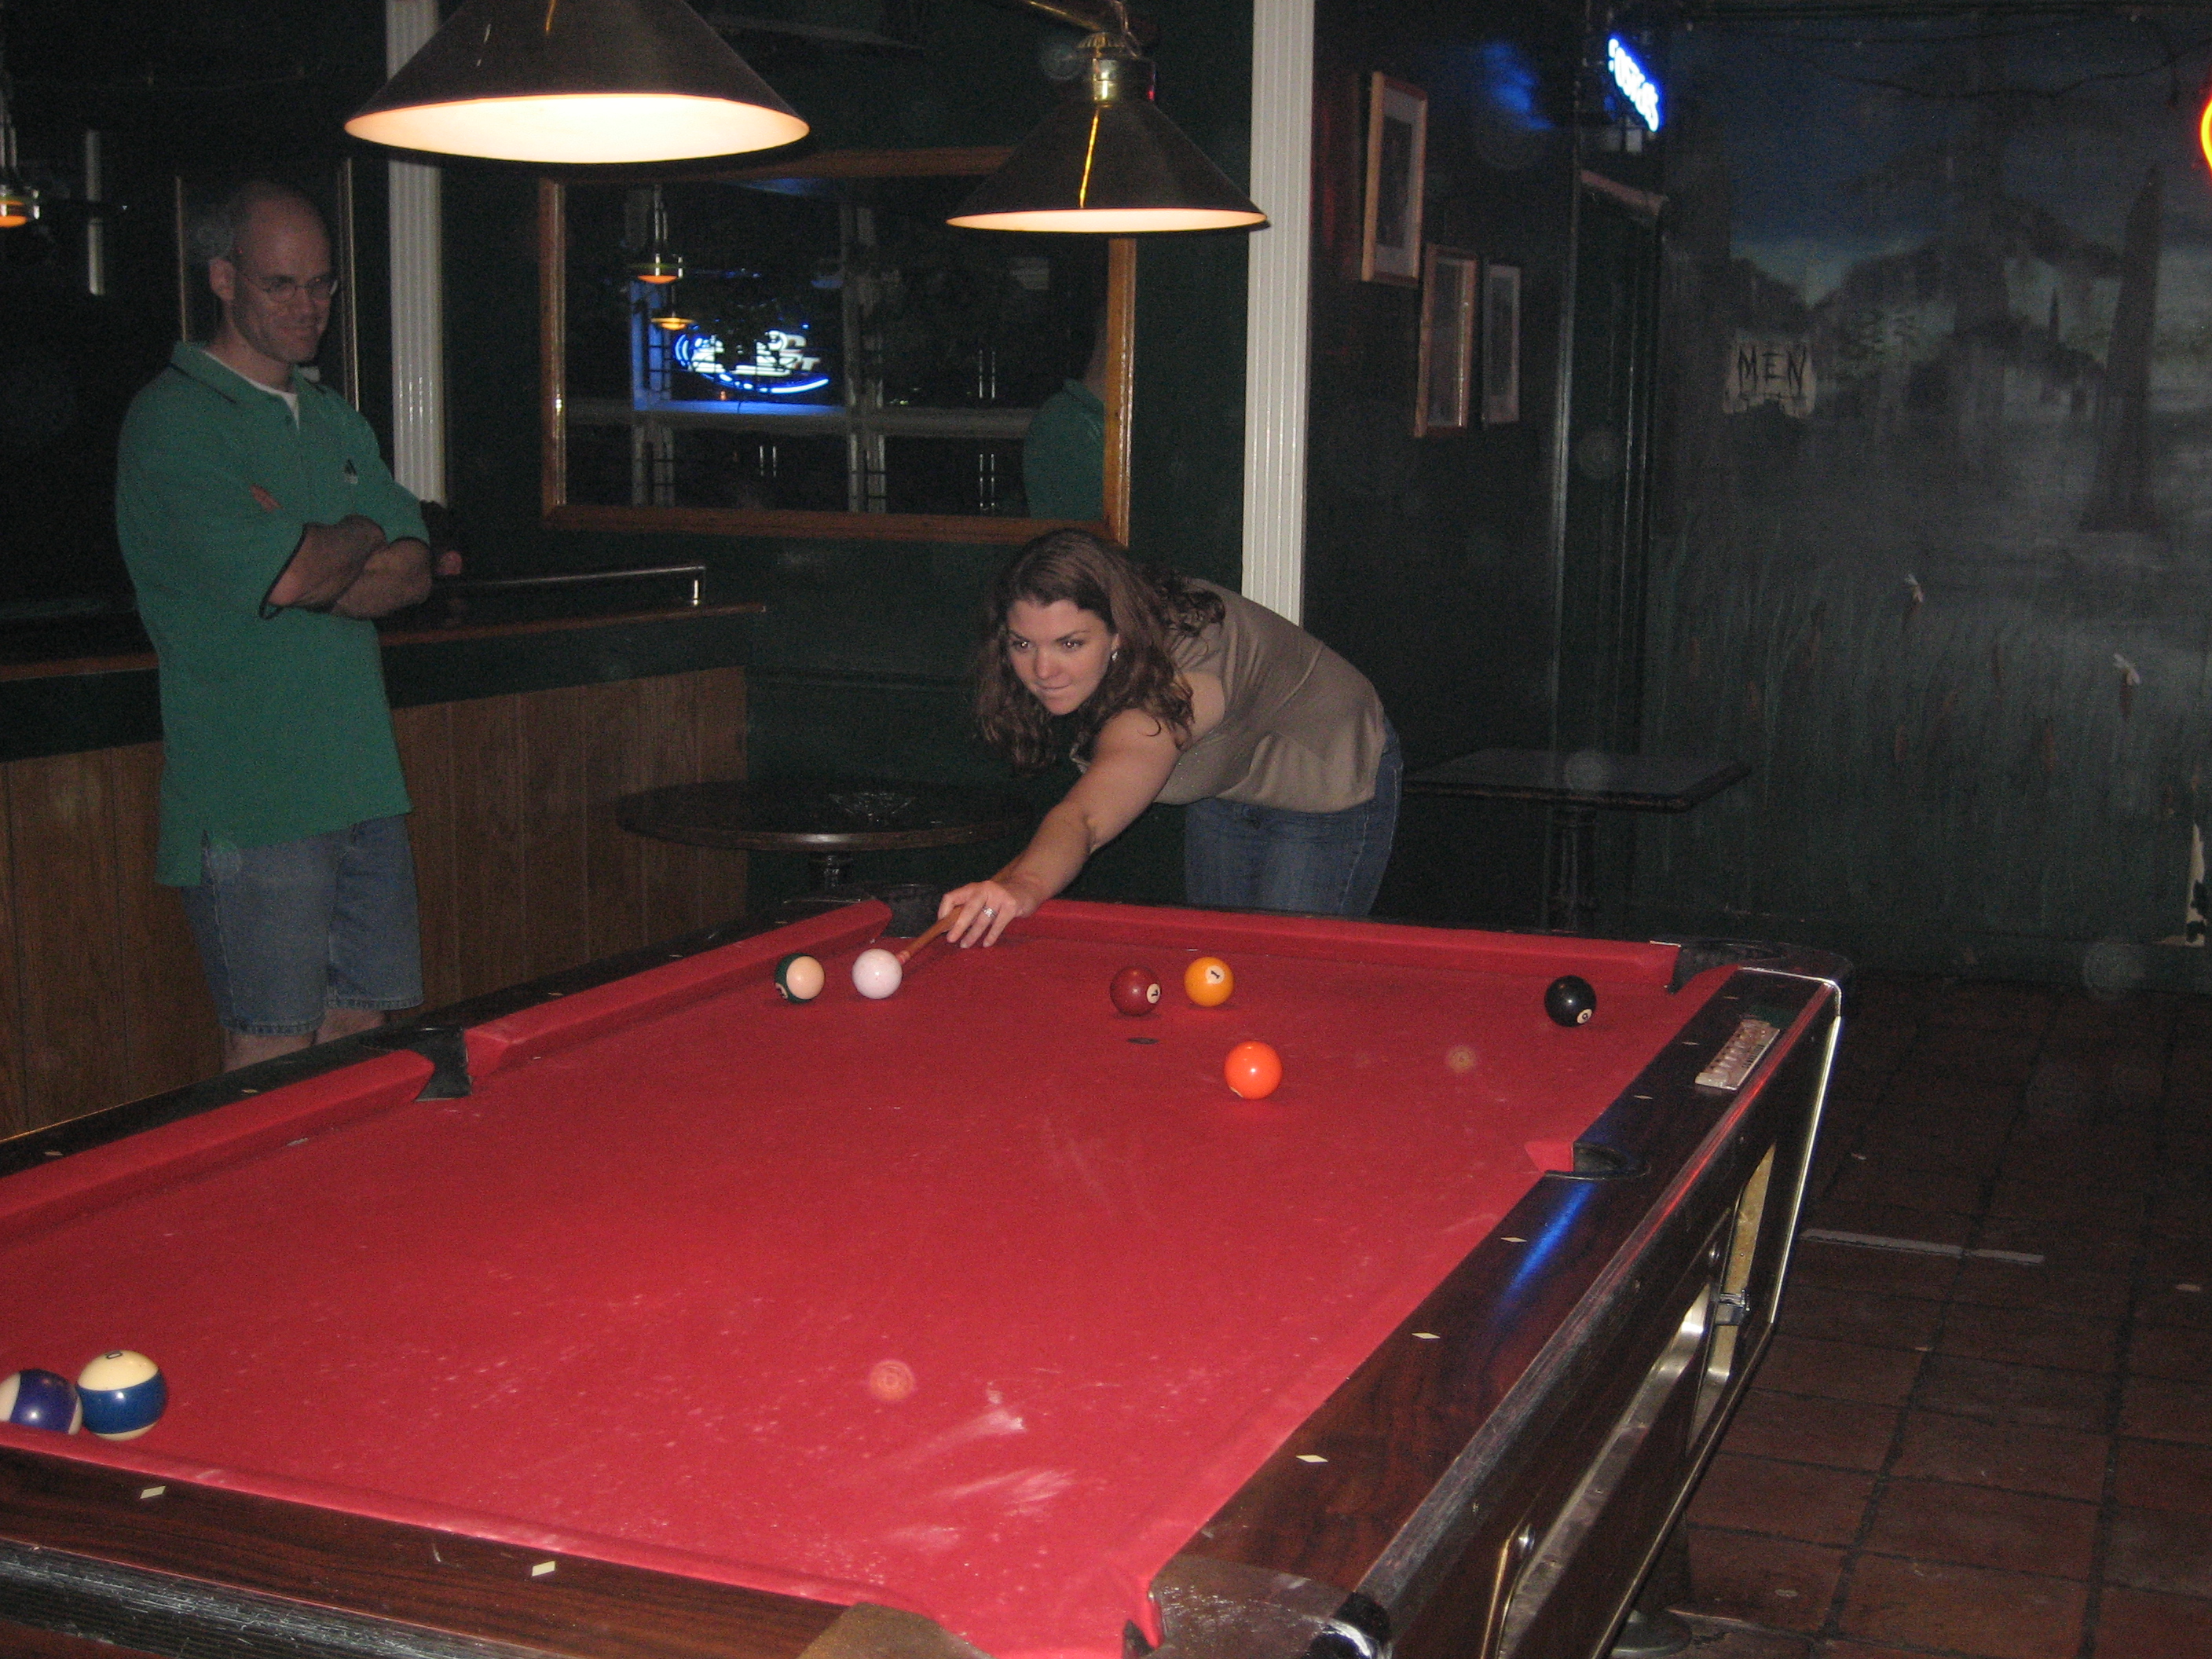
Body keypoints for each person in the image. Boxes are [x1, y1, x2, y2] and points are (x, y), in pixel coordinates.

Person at [116, 180, 455, 1071]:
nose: (309, 307)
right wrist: (356, 534)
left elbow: (412, 573)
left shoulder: (334, 416)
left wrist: (320, 549)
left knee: (364, 1041)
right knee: (271, 1049)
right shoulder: (174, 421)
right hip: (252, 797)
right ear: (223, 278)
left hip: (364, 782)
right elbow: (300, 573)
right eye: (281, 285)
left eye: (322, 284)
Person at [941, 530, 1399, 946]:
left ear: (1118, 634)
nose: (1043, 670)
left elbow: (1086, 818)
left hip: (1323, 771)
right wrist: (1014, 881)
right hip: (1228, 778)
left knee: (1284, 968)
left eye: (1070, 644)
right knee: (1217, 957)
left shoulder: (1176, 687)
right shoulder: (1120, 622)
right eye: (1023, 644)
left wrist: (1025, 885)